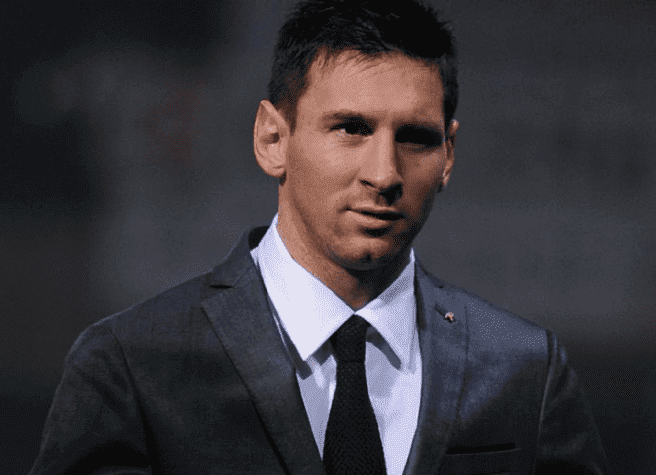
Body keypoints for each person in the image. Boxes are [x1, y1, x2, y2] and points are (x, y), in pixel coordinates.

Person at [29, 0, 608, 473]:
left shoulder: (521, 371)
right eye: (351, 128)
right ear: (272, 140)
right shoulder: (135, 366)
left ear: (449, 155)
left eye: (415, 137)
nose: (384, 173)